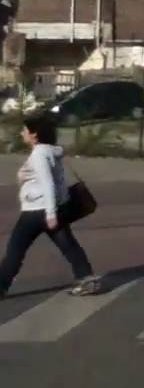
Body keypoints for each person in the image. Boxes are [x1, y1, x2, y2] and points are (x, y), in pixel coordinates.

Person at [0, 115, 100, 299]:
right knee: (69, 245)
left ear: (34, 134)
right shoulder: (52, 152)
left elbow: (48, 183)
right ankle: (87, 279)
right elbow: (56, 182)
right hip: (52, 209)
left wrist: (51, 213)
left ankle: (2, 285)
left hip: (36, 211)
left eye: (25, 130)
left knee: (16, 249)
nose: (22, 133)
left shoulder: (39, 154)